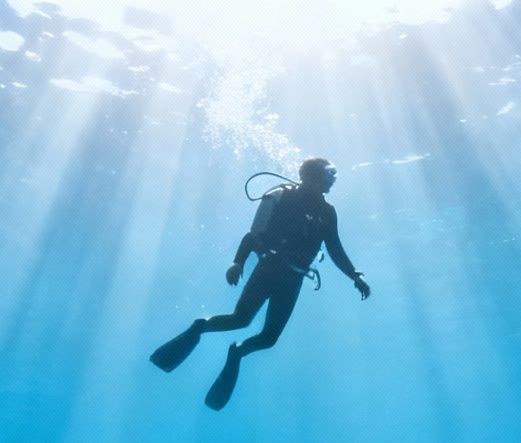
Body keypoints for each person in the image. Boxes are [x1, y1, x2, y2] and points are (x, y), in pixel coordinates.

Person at [150, 157, 371, 410]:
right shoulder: (280, 197)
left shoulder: (327, 212)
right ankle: (199, 327)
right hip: (269, 269)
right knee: (240, 319)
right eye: (328, 174)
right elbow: (253, 235)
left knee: (269, 338)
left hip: (294, 278)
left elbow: (335, 248)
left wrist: (354, 275)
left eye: (333, 175)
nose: (332, 180)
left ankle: (237, 353)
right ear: (311, 176)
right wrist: (238, 263)